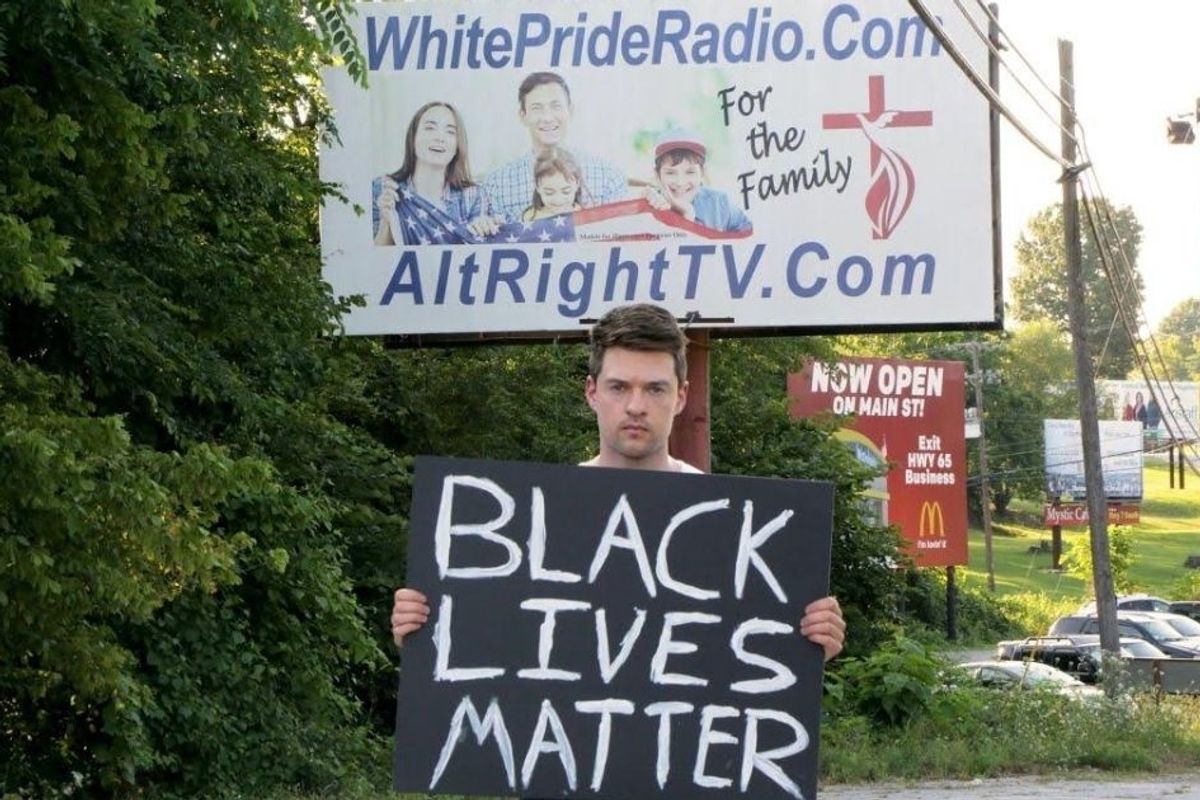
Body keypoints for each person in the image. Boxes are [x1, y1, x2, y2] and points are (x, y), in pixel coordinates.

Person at [392, 303, 846, 661]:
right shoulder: (539, 519)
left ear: (681, 396)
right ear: (591, 392)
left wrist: (808, 646)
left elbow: (742, 664)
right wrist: (424, 631)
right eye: (618, 387)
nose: (635, 405)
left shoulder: (729, 525)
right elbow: (501, 648)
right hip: (563, 767)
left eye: (654, 388)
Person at [482, 72, 627, 223]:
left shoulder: (609, 178)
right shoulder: (497, 185)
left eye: (556, 106)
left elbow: (621, 232)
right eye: (537, 108)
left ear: (570, 111)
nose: (547, 118)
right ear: (522, 116)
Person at [372, 101, 500, 246]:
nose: (440, 137)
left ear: (458, 145)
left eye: (450, 131)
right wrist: (386, 223)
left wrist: (484, 229)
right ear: (413, 138)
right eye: (430, 128)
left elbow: (480, 257)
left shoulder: (473, 195)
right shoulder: (383, 188)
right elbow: (369, 262)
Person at [648, 126, 752, 233]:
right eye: (670, 173)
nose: (680, 182)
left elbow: (750, 235)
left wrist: (688, 214)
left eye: (690, 172)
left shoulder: (719, 203)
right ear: (657, 175)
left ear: (702, 173)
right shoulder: (649, 209)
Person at [522, 150, 585, 221]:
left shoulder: (584, 214)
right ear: (537, 187)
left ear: (577, 185)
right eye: (549, 193)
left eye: (566, 192)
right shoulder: (529, 218)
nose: (558, 200)